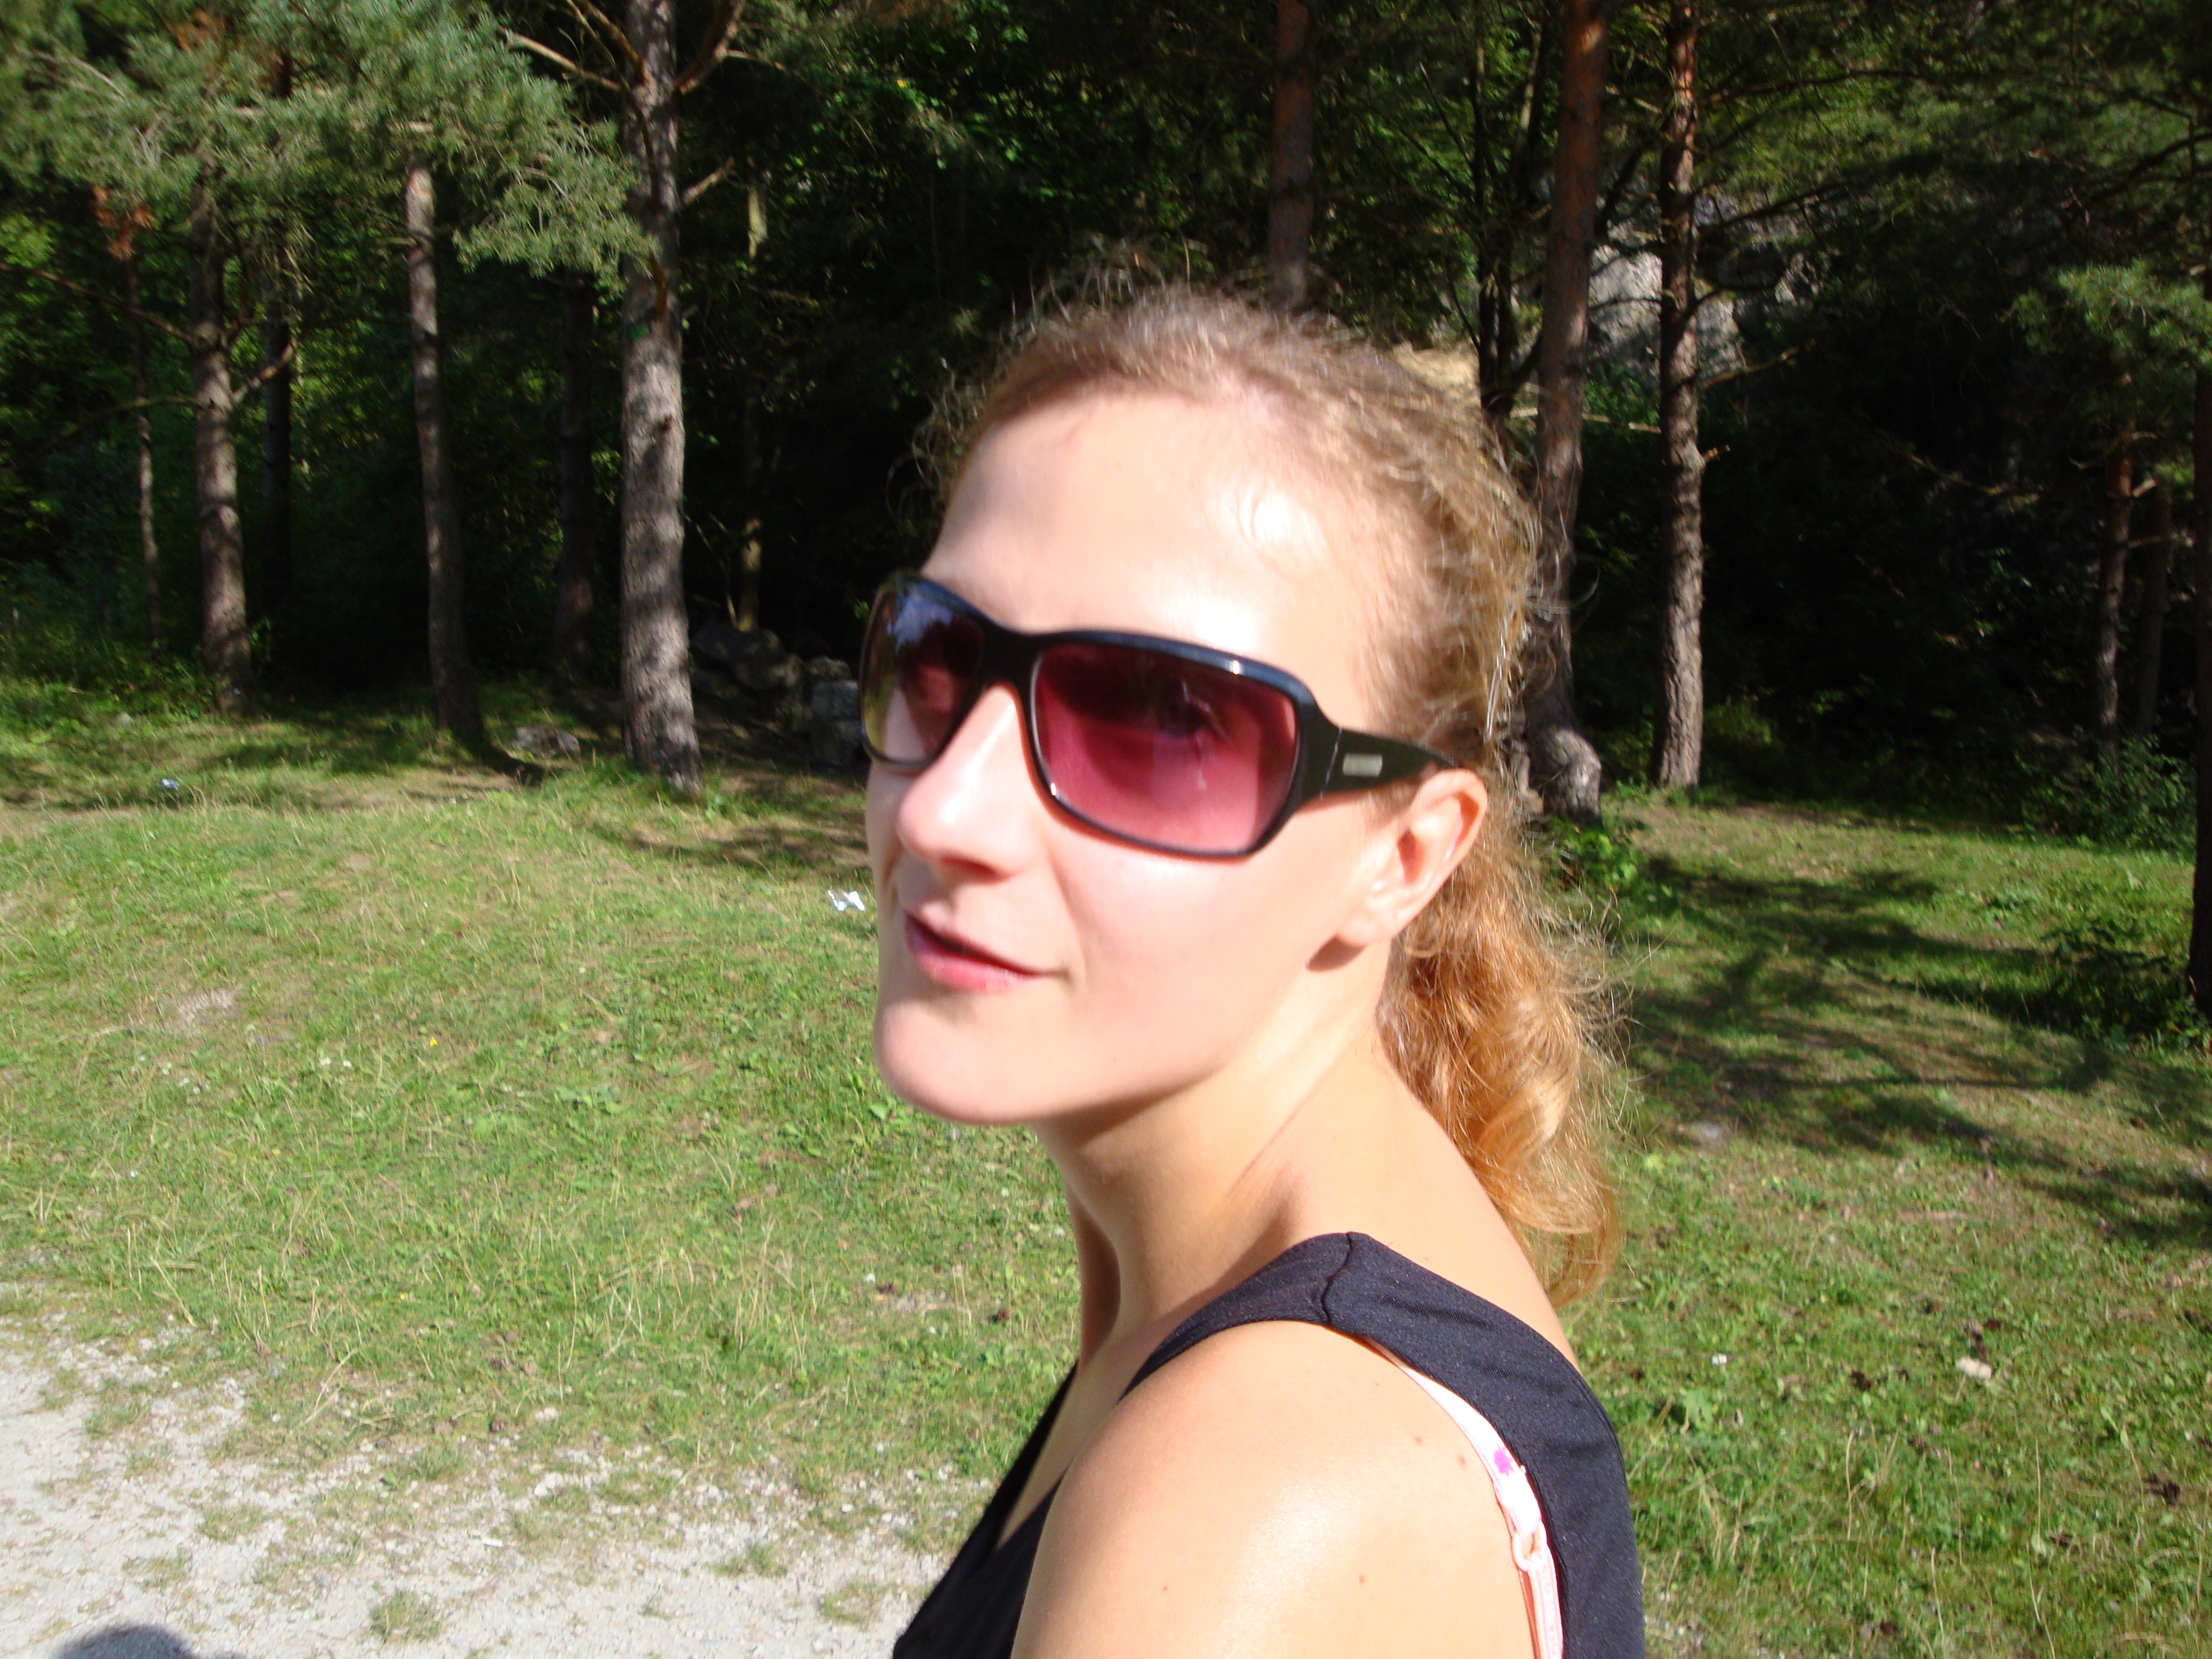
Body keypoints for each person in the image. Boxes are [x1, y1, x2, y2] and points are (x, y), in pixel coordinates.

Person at [863, 290, 1641, 1659]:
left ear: (1402, 855)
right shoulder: (1240, 1287)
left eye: (1164, 721)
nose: (942, 811)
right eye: (941, 659)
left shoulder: (1247, 1507)